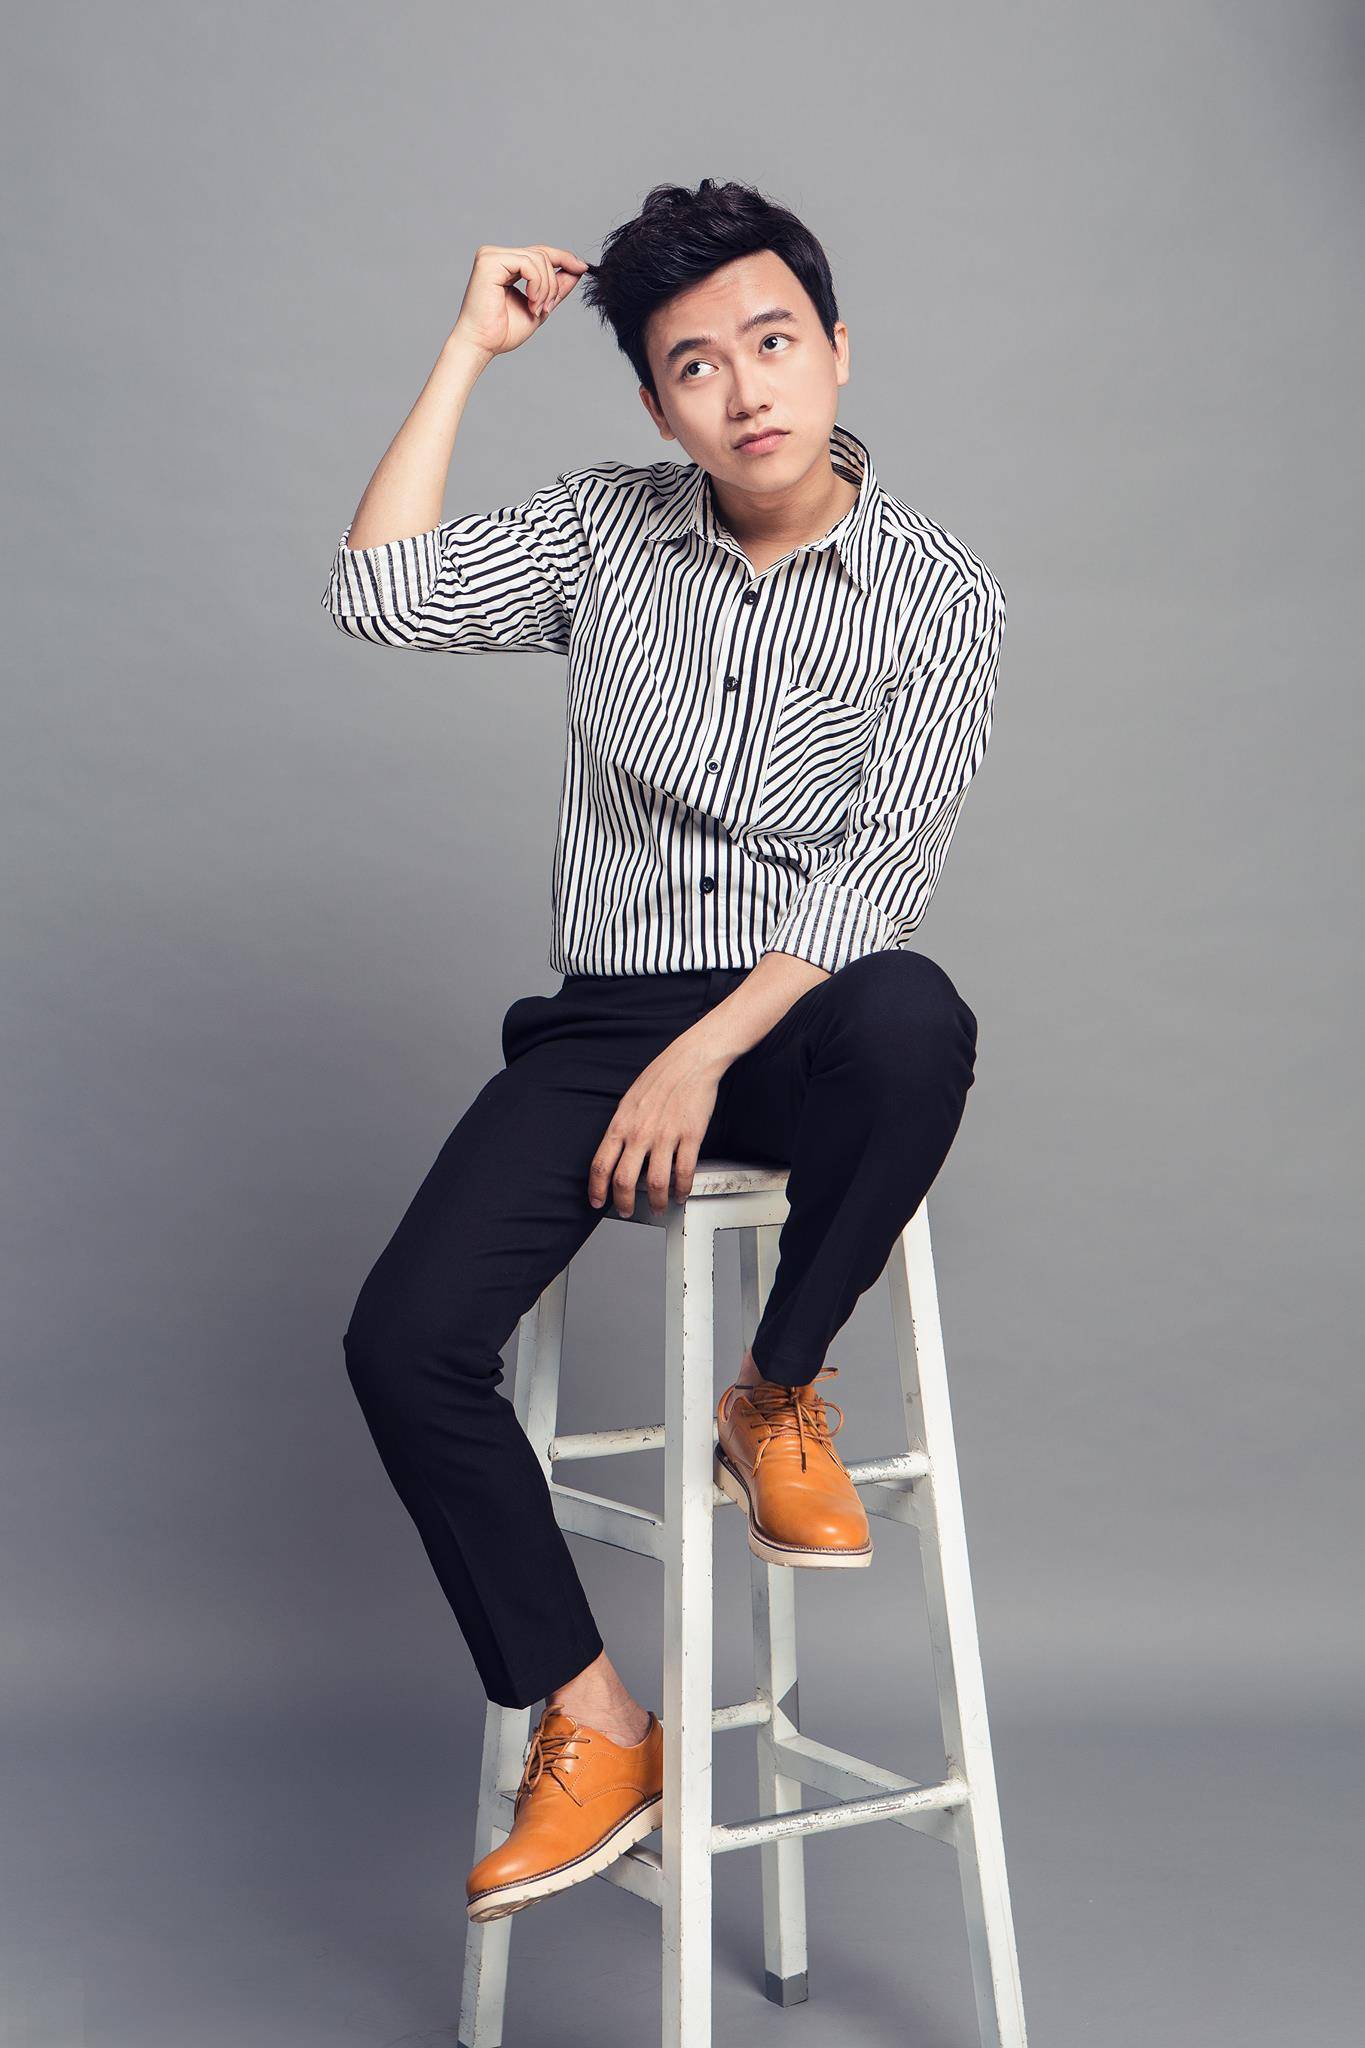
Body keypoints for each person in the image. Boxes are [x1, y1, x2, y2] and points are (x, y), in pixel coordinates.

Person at [321, 178, 1004, 1925]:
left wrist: (705, 1056)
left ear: (835, 348)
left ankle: (774, 1387)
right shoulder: (602, 529)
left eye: (773, 342)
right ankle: (593, 1720)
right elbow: (377, 597)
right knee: (402, 1343)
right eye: (696, 365)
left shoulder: (938, 598)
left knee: (915, 1010)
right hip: (603, 1013)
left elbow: (873, 876)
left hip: (792, 1003)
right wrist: (467, 351)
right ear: (654, 403)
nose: (745, 389)